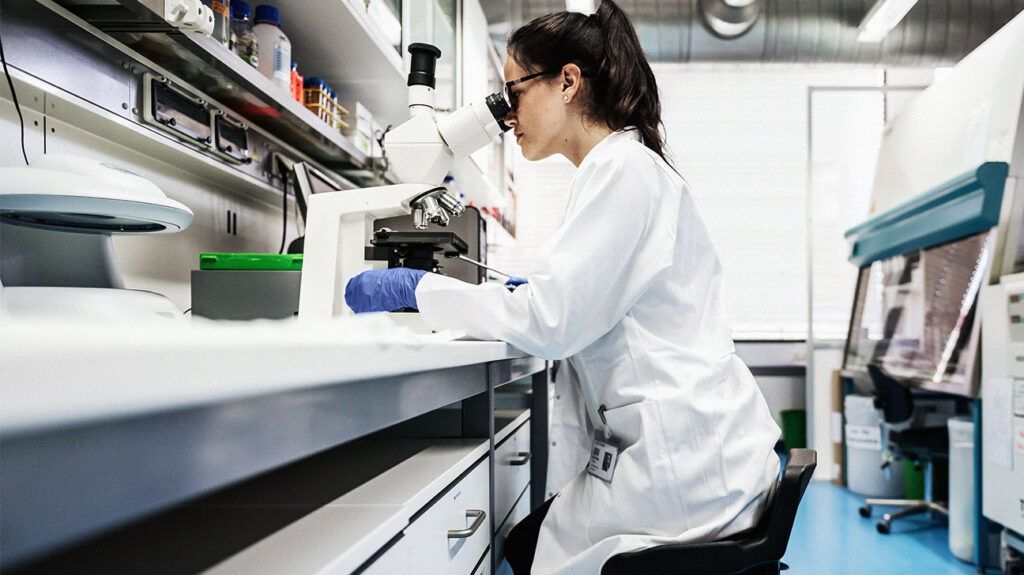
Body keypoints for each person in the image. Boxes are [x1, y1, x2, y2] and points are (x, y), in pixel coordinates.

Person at [344, 0, 782, 572]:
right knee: (530, 540)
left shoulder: (622, 170)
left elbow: (549, 321)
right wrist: (531, 295)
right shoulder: (619, 168)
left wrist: (419, 290)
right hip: (689, 451)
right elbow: (576, 303)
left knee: (528, 548)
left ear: (568, 81)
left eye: (514, 92)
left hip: (682, 469)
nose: (506, 115)